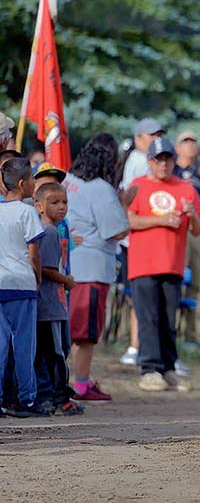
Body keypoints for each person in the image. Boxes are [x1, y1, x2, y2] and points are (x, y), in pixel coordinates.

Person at [127, 137, 200, 392]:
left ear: (174, 160)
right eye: (158, 159)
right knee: (148, 317)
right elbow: (130, 221)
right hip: (143, 263)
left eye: (168, 159)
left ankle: (168, 368)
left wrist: (191, 215)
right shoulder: (137, 186)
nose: (163, 164)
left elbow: (196, 230)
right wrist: (161, 221)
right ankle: (149, 369)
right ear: (150, 161)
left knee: (168, 319)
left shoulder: (186, 188)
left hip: (172, 263)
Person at [64, 134, 134, 401]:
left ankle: (62, 380)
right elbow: (116, 230)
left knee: (66, 328)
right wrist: (125, 204)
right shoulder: (100, 189)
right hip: (92, 268)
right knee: (85, 331)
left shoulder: (68, 182)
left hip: (68, 265)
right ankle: (80, 383)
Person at [0, 157, 49, 417]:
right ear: (22, 184)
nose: (34, 183)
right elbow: (34, 253)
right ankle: (27, 400)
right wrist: (38, 277)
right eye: (32, 178)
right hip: (22, 285)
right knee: (23, 346)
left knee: (0, 346)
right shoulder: (27, 211)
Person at [118, 118, 165, 367]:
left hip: (143, 236)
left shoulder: (149, 160)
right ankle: (137, 345)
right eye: (151, 135)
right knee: (140, 294)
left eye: (159, 134)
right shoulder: (139, 159)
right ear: (138, 138)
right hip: (136, 237)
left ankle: (140, 344)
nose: (155, 139)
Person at [32, 182, 83, 415]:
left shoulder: (48, 230)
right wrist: (66, 280)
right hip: (50, 304)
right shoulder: (49, 231)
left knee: (43, 353)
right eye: (54, 202)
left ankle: (45, 396)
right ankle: (60, 399)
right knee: (56, 354)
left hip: (48, 303)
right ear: (40, 206)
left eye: (64, 202)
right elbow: (45, 268)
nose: (61, 207)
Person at [174, 130, 200, 351]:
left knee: (195, 283)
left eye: (193, 142)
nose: (190, 146)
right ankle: (173, 331)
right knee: (178, 279)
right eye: (186, 141)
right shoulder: (172, 170)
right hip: (178, 230)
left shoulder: (197, 173)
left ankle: (190, 334)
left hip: (196, 230)